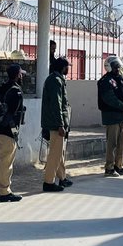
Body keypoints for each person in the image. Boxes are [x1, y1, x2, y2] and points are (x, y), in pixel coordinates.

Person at [0, 63, 26, 202]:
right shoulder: (16, 91)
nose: (22, 76)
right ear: (17, 75)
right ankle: (5, 192)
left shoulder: (1, 89)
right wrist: (2, 127)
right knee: (6, 164)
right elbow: (12, 114)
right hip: (8, 132)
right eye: (21, 74)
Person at [40, 56, 73, 192]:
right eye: (67, 67)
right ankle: (48, 182)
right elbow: (56, 104)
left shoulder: (56, 79)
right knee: (55, 154)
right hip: (55, 124)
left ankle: (62, 177)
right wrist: (60, 124)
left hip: (55, 123)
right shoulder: (55, 81)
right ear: (63, 67)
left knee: (58, 152)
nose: (68, 69)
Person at [98, 57, 123, 176]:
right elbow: (109, 98)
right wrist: (122, 106)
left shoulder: (120, 79)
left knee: (122, 143)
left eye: (118, 66)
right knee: (112, 143)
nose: (118, 68)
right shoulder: (105, 81)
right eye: (115, 66)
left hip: (121, 116)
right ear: (109, 67)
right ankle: (109, 168)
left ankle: (119, 165)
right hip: (111, 116)